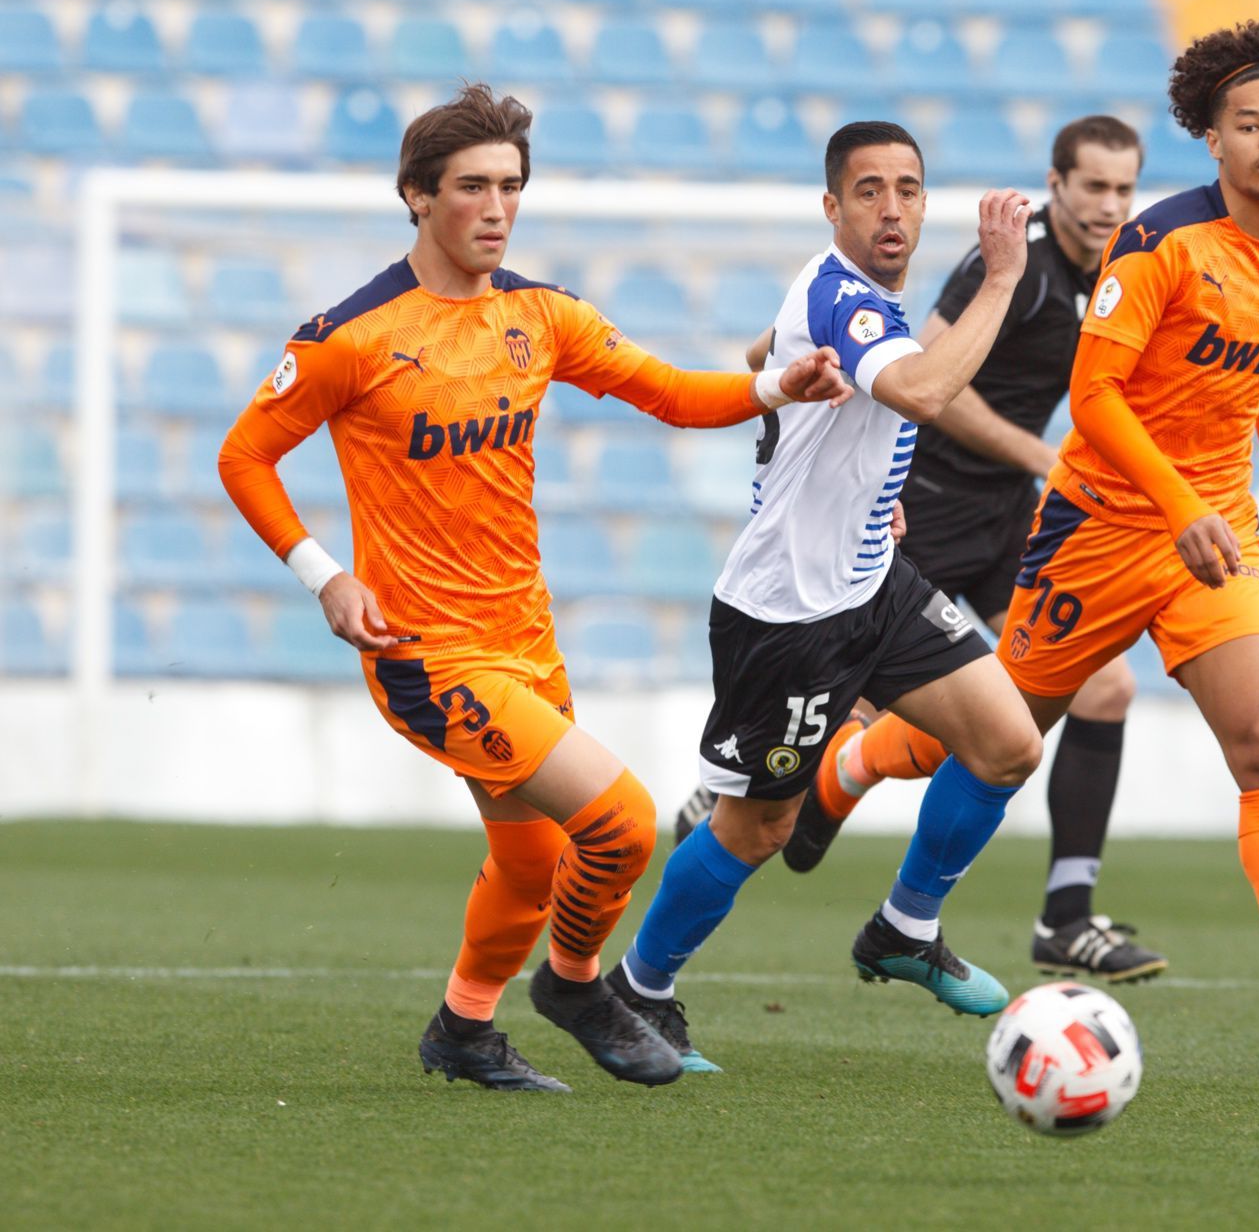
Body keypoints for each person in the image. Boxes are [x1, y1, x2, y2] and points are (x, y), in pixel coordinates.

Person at [215, 84, 849, 1093]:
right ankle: (574, 982)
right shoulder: (350, 335)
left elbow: (673, 394)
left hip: (523, 639)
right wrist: (324, 575)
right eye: (472, 186)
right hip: (424, 651)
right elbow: (244, 457)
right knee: (622, 821)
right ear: (417, 196)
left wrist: (777, 384)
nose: (496, 207)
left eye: (510, 185)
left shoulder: (539, 314)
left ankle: (463, 1030)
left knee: (530, 861)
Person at [771, 23, 1259, 1065]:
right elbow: (1092, 399)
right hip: (1097, 531)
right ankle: (857, 774)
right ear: (1212, 141)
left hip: (1216, 536)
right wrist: (1169, 502)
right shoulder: (1157, 246)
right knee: (995, 736)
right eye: (1249, 126)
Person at [680, 115, 1167, 984]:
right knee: (834, 734)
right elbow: (934, 378)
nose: (1109, 204)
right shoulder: (1002, 266)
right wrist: (1043, 455)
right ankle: (756, 799)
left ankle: (1065, 915)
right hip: (923, 502)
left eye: (1124, 189)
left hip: (1007, 516)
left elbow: (771, 348)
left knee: (1102, 687)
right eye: (1093, 186)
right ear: (1055, 187)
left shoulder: (1120, 277)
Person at [606, 123, 1046, 1066]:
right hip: (791, 615)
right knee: (759, 827)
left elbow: (775, 344)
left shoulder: (842, 296)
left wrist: (854, 490)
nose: (892, 209)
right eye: (870, 191)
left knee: (1008, 744)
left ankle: (904, 929)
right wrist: (1003, 279)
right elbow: (924, 392)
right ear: (833, 207)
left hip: (873, 582)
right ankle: (638, 988)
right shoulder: (846, 294)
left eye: (909, 190)